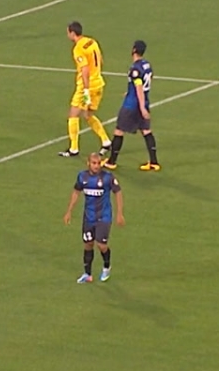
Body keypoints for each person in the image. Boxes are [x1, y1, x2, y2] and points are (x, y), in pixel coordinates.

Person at [64, 152, 125, 283]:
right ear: (88, 164)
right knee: (88, 244)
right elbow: (76, 192)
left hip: (104, 216)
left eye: (98, 163)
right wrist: (69, 211)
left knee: (101, 245)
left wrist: (120, 213)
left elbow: (118, 192)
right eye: (94, 163)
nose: (97, 166)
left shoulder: (107, 177)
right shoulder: (82, 177)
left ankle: (106, 266)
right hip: (88, 217)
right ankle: (87, 274)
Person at [58, 21, 112, 158]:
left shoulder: (78, 49)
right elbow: (100, 60)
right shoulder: (92, 41)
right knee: (88, 115)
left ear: (72, 33)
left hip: (86, 87)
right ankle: (106, 141)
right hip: (99, 83)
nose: (67, 35)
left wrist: (86, 91)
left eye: (68, 32)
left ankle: (73, 149)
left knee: (73, 114)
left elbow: (85, 69)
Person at [105, 40, 161, 171]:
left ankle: (111, 162)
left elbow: (139, 87)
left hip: (132, 105)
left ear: (134, 50)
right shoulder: (147, 65)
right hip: (144, 101)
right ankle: (154, 162)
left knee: (119, 130)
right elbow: (145, 83)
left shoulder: (135, 69)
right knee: (146, 130)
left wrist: (141, 107)